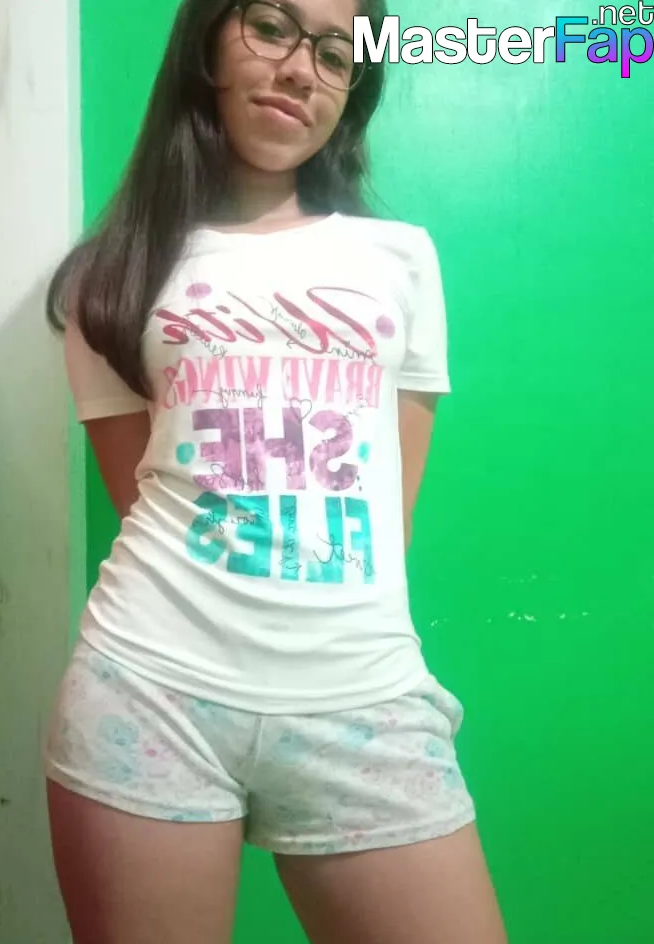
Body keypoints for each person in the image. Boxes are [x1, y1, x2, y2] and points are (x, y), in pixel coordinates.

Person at [43, 0, 508, 941]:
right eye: (272, 28)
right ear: (208, 39)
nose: (301, 68)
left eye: (336, 54)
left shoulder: (400, 262)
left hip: (361, 701)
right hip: (149, 690)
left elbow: (388, 516)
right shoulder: (109, 277)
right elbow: (140, 498)